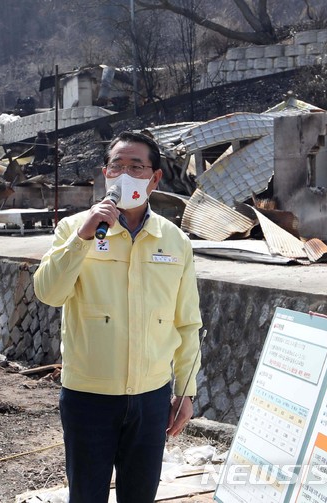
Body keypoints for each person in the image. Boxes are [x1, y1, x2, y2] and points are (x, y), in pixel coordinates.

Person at [33, 131, 202, 503]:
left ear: (155, 178)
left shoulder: (175, 241)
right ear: (104, 173)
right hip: (88, 396)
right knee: (87, 495)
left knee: (140, 494)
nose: (124, 175)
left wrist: (185, 392)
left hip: (152, 396)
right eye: (117, 166)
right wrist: (83, 237)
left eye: (136, 167)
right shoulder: (73, 229)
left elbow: (187, 323)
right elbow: (49, 293)